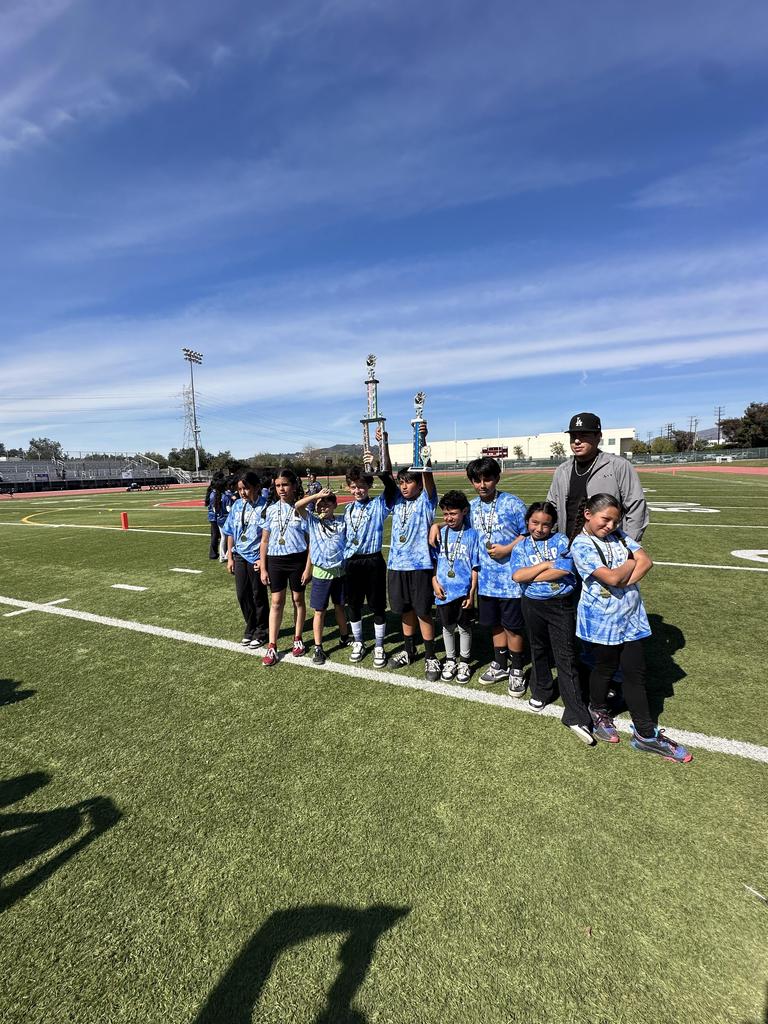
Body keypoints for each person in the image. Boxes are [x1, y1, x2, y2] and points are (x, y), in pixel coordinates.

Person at [569, 493, 692, 762]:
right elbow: (611, 575)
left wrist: (623, 580)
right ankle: (598, 709)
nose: (611, 525)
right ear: (589, 514)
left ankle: (646, 734)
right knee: (605, 667)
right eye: (606, 519)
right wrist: (628, 564)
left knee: (636, 672)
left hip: (631, 617)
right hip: (602, 619)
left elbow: (646, 562)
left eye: (615, 520)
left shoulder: (620, 535)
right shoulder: (580, 544)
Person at [510, 501, 595, 745]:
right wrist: (547, 565)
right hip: (532, 604)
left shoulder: (560, 541)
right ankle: (542, 690)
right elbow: (517, 575)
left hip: (560, 605)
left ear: (553, 525)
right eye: (535, 523)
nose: (539, 528)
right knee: (538, 650)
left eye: (546, 524)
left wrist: (534, 573)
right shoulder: (521, 546)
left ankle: (576, 713)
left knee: (565, 655)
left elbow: (565, 569)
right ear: (528, 521)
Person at [465, 457, 527, 694]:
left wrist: (507, 549)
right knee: (494, 625)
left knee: (513, 626)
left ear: (497, 478)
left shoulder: (513, 504)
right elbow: (458, 524)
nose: (483, 485)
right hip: (486, 581)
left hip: (511, 580)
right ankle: (500, 664)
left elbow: (527, 533)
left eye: (487, 479)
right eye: (477, 480)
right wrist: (436, 526)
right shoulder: (471, 507)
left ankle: (518, 669)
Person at [547, 412, 649, 542]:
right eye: (573, 436)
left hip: (607, 549)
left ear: (598, 436)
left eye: (583, 435)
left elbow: (636, 507)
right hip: (568, 546)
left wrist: (629, 545)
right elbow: (552, 508)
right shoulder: (562, 470)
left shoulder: (618, 466)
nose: (577, 441)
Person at [343, 429, 397, 667]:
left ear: (369, 485)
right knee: (353, 604)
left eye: (362, 485)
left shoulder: (378, 505)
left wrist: (377, 462)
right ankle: (358, 641)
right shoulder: (346, 511)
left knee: (376, 605)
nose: (358, 490)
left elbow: (392, 488)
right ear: (348, 487)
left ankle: (378, 645)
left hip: (373, 560)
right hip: (352, 562)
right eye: (353, 486)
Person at [387, 441, 439, 681]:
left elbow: (427, 475)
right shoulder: (396, 500)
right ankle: (409, 649)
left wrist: (422, 440)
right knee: (405, 610)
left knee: (423, 612)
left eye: (409, 481)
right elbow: (385, 474)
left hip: (420, 566)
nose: (404, 486)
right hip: (396, 566)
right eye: (402, 482)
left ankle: (430, 656)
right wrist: (382, 443)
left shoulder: (426, 501)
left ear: (418, 483)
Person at [259, 469, 311, 666]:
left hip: (297, 560)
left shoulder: (302, 509)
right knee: (276, 602)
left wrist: (308, 568)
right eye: (278, 485)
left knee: (298, 599)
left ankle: (298, 638)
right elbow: (264, 541)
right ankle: (272, 646)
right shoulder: (270, 509)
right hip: (275, 560)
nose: (281, 489)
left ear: (294, 486)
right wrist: (263, 568)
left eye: (285, 484)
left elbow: (310, 542)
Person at [294, 487, 350, 664]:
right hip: (321, 574)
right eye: (320, 505)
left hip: (340, 572)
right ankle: (318, 647)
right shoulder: (312, 521)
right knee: (320, 611)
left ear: (335, 505)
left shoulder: (342, 522)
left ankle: (344, 637)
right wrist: (317, 496)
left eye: (327, 504)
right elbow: (298, 505)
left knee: (340, 606)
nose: (323, 507)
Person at [431, 490, 479, 684]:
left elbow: (475, 566)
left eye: (453, 513)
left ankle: (465, 661)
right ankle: (451, 659)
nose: (449, 518)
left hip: (463, 591)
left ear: (464, 512)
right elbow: (433, 562)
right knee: (447, 627)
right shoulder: (440, 533)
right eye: (445, 514)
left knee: (465, 627)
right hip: (443, 591)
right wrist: (434, 581)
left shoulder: (472, 535)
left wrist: (472, 592)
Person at [222, 471, 269, 648]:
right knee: (242, 594)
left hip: (256, 557)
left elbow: (267, 537)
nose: (242, 492)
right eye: (240, 489)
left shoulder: (265, 507)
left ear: (256, 488)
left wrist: (263, 561)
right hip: (240, 555)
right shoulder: (237, 506)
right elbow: (229, 531)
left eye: (246, 488)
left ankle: (262, 630)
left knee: (258, 595)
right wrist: (230, 557)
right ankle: (251, 626)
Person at [205, 475, 225, 560]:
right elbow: (214, 508)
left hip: (213, 516)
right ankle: (213, 554)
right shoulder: (213, 494)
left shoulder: (213, 493)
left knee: (215, 535)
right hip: (214, 517)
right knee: (215, 535)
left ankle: (215, 553)